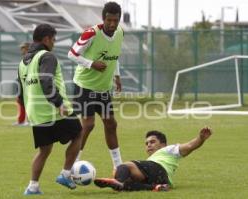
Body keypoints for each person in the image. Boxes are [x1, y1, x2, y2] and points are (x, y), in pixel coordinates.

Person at [18, 24, 82, 195]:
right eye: (53, 39)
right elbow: (46, 82)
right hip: (52, 109)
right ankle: (65, 174)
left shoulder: (23, 61)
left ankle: (32, 187)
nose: (54, 43)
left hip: (35, 112)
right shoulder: (47, 56)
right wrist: (59, 103)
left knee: (44, 150)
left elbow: (21, 90)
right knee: (78, 134)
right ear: (46, 39)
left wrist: (28, 111)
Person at [68, 1, 124, 170]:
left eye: (116, 20)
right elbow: (72, 54)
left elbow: (114, 56)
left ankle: (118, 166)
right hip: (85, 85)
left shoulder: (120, 33)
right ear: (103, 19)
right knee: (89, 124)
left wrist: (117, 75)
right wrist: (91, 64)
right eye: (109, 20)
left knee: (111, 124)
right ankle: (72, 165)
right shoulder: (91, 33)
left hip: (103, 87)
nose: (112, 24)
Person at [94, 127, 213, 191]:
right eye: (146, 144)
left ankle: (118, 182)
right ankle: (155, 188)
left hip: (159, 170)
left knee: (125, 166)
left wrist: (200, 138)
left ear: (163, 144)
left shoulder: (169, 150)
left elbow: (190, 146)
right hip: (161, 180)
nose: (148, 145)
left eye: (152, 142)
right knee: (127, 182)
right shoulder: (151, 159)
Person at [13, 42, 30, 126]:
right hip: (21, 82)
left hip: (27, 83)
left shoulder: (30, 59)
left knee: (29, 102)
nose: (22, 50)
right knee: (20, 101)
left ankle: (29, 121)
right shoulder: (24, 59)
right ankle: (21, 121)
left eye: (23, 48)